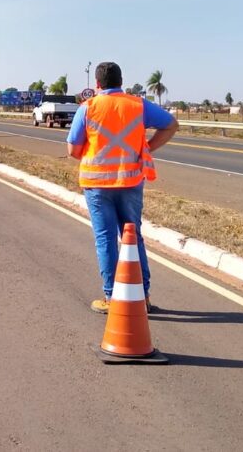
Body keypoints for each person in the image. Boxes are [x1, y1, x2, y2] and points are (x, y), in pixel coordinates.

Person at [66, 62, 178, 315]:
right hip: (130, 181)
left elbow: (73, 150)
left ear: (96, 84)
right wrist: (146, 147)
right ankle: (143, 295)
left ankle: (111, 296)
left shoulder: (88, 108)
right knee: (132, 237)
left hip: (97, 185)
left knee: (105, 239)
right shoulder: (137, 105)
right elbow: (171, 125)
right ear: (121, 81)